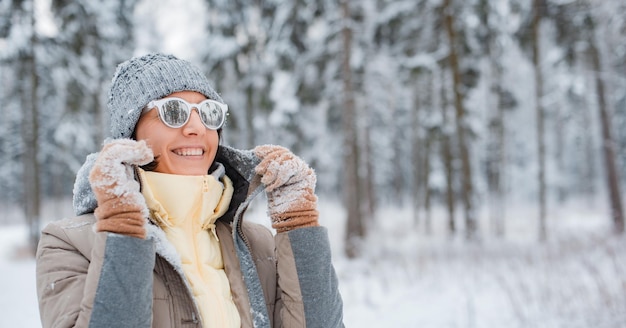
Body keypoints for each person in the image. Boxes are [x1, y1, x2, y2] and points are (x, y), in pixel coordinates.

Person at [35, 53, 344, 328]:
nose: (195, 128)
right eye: (173, 111)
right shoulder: (69, 244)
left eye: (208, 113)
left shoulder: (257, 242)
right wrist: (123, 230)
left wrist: (299, 222)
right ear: (129, 134)